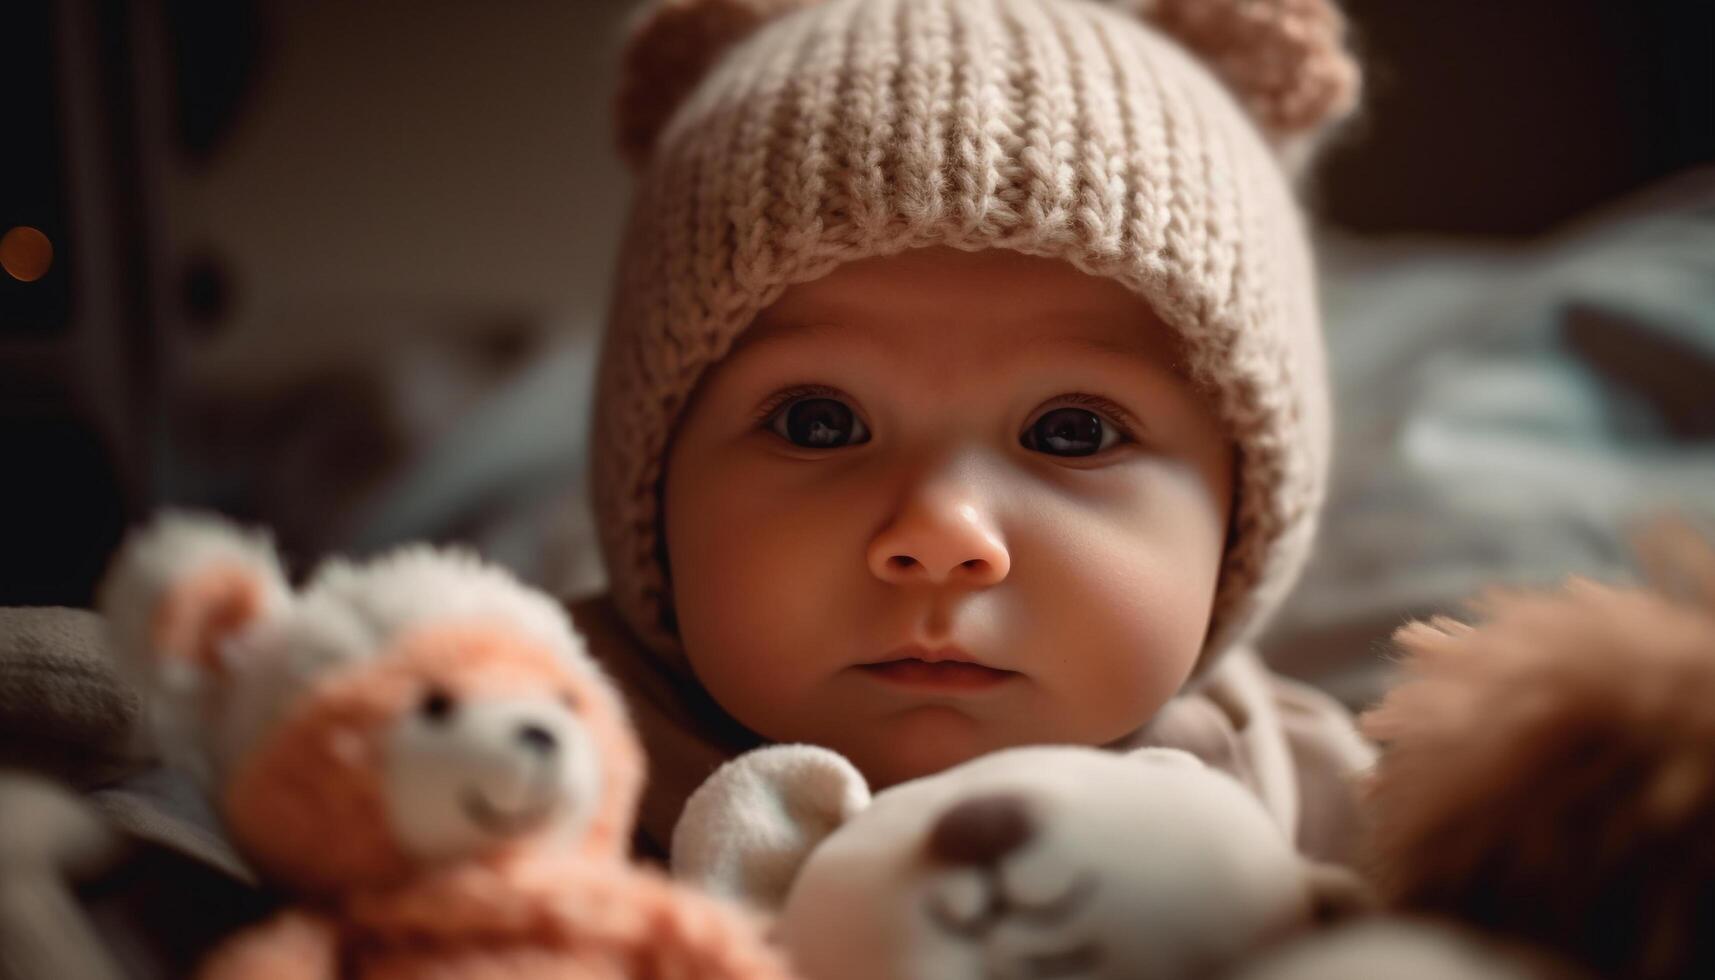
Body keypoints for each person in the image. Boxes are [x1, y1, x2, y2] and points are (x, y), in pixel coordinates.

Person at [570, 0, 1375, 867]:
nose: (940, 535)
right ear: (651, 497)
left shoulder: (1331, 818)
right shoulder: (515, 758)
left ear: (1241, 523)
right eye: (819, 422)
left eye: (1072, 432)